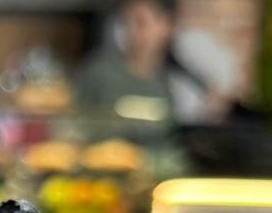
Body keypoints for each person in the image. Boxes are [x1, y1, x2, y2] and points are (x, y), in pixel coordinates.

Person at [76, 0, 228, 122]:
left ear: (167, 26)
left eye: (141, 22)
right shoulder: (99, 71)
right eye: (125, 22)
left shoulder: (179, 81)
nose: (131, 31)